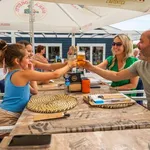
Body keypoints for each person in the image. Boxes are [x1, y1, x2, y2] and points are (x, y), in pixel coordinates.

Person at [0, 44, 76, 126]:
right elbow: (55, 74)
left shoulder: (11, 73)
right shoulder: (21, 74)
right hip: (8, 118)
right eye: (27, 57)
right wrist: (69, 66)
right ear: (17, 61)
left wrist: (66, 63)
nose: (30, 59)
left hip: (9, 113)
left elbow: (35, 91)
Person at [81, 30, 150, 109]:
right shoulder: (140, 65)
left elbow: (132, 85)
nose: (137, 45)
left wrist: (114, 88)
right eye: (113, 44)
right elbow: (116, 75)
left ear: (126, 46)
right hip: (114, 96)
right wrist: (89, 67)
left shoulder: (133, 61)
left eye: (141, 41)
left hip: (126, 97)